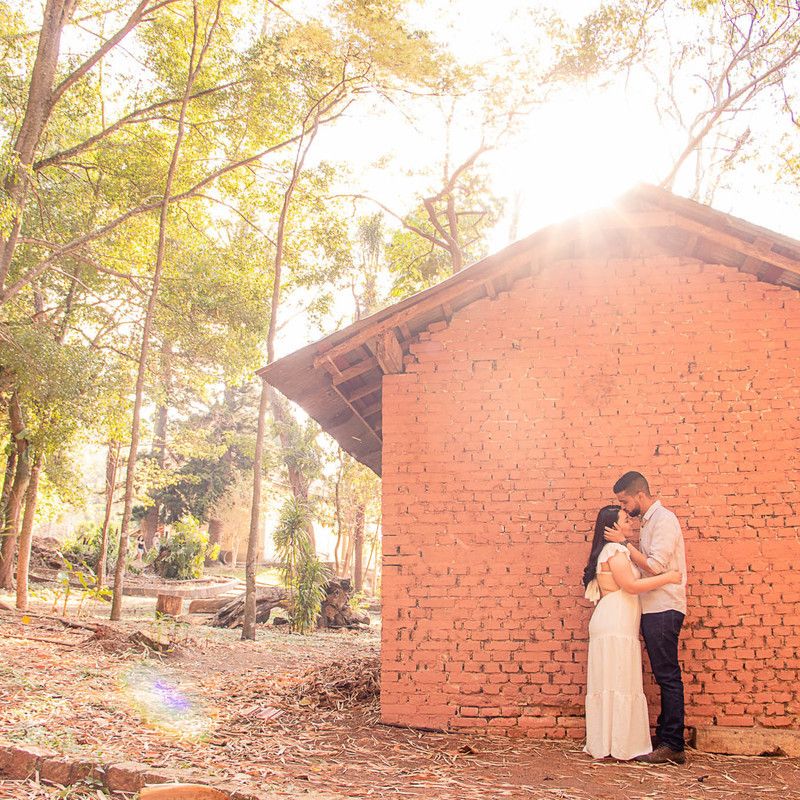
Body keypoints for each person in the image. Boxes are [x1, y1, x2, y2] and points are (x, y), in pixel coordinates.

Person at [583, 504, 682, 761]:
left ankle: (610, 742)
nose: (630, 522)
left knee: (616, 681)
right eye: (625, 519)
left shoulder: (617, 549)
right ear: (614, 527)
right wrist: (669, 578)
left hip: (619, 622)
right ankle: (617, 744)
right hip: (614, 622)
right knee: (617, 681)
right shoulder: (615, 550)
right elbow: (630, 585)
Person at [605, 471, 688, 765]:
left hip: (664, 607)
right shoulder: (650, 522)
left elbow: (654, 566)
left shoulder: (664, 520)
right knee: (663, 673)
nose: (625, 508)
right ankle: (666, 736)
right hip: (654, 607)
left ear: (640, 495)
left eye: (625, 501)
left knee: (667, 675)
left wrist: (625, 544)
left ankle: (673, 744)